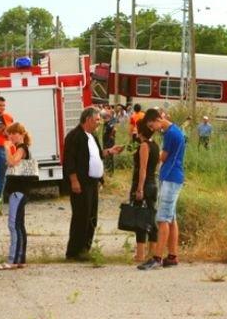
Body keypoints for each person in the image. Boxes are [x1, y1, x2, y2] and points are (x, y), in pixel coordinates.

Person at [63, 107, 124, 261]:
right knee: (80, 216)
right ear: (88, 119)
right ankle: (74, 251)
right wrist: (74, 180)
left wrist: (110, 151)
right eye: (97, 119)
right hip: (80, 182)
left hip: (92, 182)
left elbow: (96, 155)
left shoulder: (93, 136)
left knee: (91, 217)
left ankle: (85, 248)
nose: (99, 123)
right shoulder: (74, 136)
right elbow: (69, 161)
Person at [138, 108, 186, 270]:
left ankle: (157, 257)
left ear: (158, 119)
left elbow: (164, 157)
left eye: (152, 125)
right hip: (173, 176)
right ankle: (172, 256)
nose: (153, 129)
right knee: (171, 218)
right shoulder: (173, 131)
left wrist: (152, 157)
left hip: (171, 176)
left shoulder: (171, 134)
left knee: (162, 218)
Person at [0, 123, 34, 270]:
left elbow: (12, 162)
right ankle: (20, 259)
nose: (11, 136)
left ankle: (12, 260)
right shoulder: (22, 148)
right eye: (10, 134)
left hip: (18, 191)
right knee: (19, 225)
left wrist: (6, 148)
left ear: (22, 134)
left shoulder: (21, 148)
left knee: (13, 224)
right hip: (20, 191)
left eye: (14, 133)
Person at [130, 118, 160, 262]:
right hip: (153, 184)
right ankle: (152, 251)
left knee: (140, 219)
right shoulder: (155, 145)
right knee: (151, 217)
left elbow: (143, 168)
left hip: (143, 185)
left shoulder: (144, 146)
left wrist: (139, 189)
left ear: (141, 131)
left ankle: (140, 254)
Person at [102, 110, 117, 175]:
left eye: (105, 118)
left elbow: (114, 122)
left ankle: (110, 172)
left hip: (109, 142)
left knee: (110, 157)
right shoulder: (105, 123)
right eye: (104, 118)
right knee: (106, 157)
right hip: (105, 142)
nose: (104, 119)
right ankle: (107, 170)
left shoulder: (111, 122)